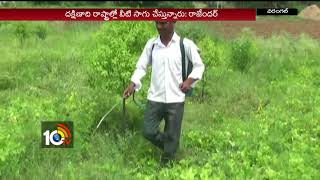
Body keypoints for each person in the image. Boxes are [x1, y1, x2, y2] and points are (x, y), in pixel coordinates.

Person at [123, 21, 205, 165]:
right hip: (155, 98)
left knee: (172, 135)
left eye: (163, 23)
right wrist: (133, 83)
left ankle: (167, 166)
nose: (160, 26)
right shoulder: (152, 44)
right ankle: (171, 148)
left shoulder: (185, 44)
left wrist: (188, 82)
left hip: (175, 100)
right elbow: (141, 66)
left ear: (174, 21)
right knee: (148, 131)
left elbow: (199, 66)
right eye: (157, 23)